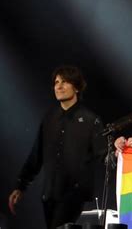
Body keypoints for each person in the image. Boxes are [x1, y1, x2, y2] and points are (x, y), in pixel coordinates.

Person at [8, 65, 106, 229]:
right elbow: (36, 156)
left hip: (74, 195)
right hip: (50, 195)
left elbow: (104, 154)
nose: (58, 86)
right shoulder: (49, 119)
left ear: (76, 87)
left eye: (65, 82)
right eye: (56, 82)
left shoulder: (90, 120)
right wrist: (20, 186)